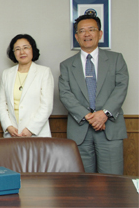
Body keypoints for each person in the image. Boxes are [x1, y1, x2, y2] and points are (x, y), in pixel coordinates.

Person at [59, 13, 129, 175]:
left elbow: (121, 87)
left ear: (100, 33)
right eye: (82, 31)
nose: (87, 34)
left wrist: (103, 114)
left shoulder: (116, 59)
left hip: (110, 128)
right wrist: (89, 116)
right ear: (77, 36)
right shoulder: (67, 65)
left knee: (112, 182)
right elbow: (65, 94)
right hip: (80, 129)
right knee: (83, 184)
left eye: (91, 29)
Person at [0, 34, 54, 138]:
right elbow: (1, 104)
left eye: (26, 47)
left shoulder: (44, 72)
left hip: (37, 133)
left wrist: (30, 129)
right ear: (13, 53)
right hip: (12, 133)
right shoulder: (6, 74)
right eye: (17, 49)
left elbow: (47, 106)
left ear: (33, 49)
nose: (22, 52)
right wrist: (8, 126)